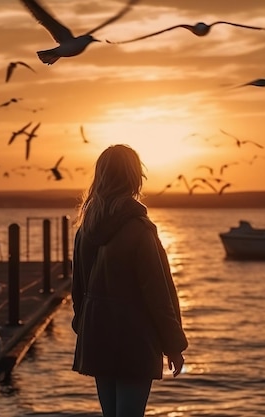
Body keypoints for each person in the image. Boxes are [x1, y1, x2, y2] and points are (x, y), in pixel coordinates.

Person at [71, 144, 189, 417]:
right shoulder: (140, 230)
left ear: (100, 177)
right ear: (135, 178)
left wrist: (85, 326)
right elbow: (159, 294)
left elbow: (78, 291)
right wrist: (173, 345)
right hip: (134, 339)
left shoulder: (85, 230)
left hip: (97, 335)